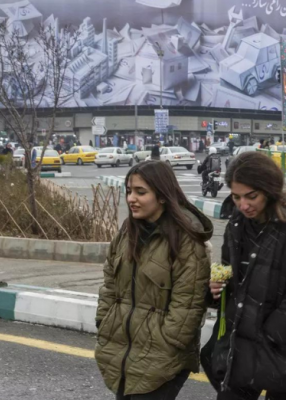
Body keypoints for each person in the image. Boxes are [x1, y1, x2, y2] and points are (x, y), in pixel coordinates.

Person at [202, 152, 286, 400]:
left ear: (270, 189)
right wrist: (216, 290)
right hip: (241, 347)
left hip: (285, 353)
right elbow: (230, 273)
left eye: (251, 196)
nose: (243, 205)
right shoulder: (237, 223)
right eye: (236, 197)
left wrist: (270, 336)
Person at [95, 160, 213, 400]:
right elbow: (110, 283)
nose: (131, 199)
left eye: (141, 192)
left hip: (162, 356)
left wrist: (167, 341)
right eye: (129, 191)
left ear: (161, 196)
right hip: (122, 350)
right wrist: (104, 320)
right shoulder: (128, 232)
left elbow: (188, 303)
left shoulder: (186, 240)